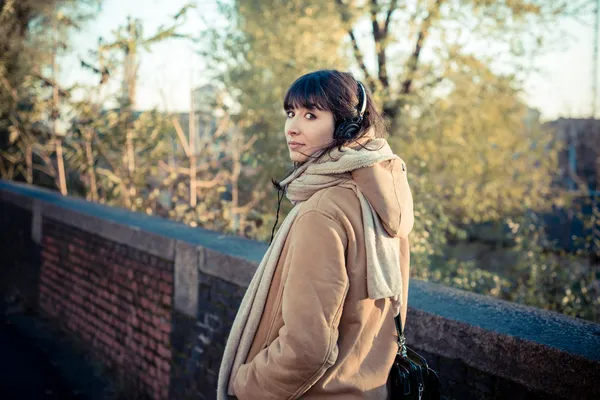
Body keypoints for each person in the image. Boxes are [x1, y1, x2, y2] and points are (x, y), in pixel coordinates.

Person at [217, 69, 414, 400]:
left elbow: (308, 346)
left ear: (346, 126)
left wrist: (245, 383)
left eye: (311, 115)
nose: (292, 127)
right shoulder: (381, 198)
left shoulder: (322, 213)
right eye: (291, 113)